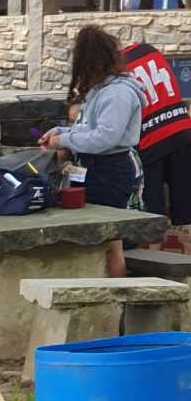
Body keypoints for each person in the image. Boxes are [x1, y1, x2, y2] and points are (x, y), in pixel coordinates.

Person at [44, 26, 146, 277]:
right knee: (95, 242)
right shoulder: (100, 90)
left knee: (111, 243)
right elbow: (88, 126)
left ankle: (115, 303)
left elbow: (105, 137)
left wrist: (64, 140)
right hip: (92, 168)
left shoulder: (119, 93)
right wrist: (60, 132)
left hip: (111, 170)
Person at [124, 40, 191, 238]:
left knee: (152, 203)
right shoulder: (148, 50)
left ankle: (154, 254)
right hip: (181, 129)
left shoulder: (116, 67)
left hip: (150, 139)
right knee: (185, 198)